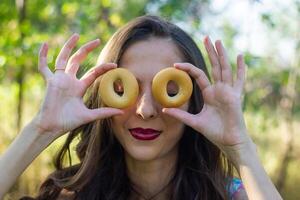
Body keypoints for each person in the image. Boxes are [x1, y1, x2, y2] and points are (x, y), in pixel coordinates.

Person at [0, 15, 282, 200]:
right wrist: (40, 129)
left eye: (169, 91)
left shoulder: (229, 195)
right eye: (123, 90)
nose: (146, 110)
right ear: (104, 95)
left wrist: (240, 148)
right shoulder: (69, 194)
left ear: (194, 100)